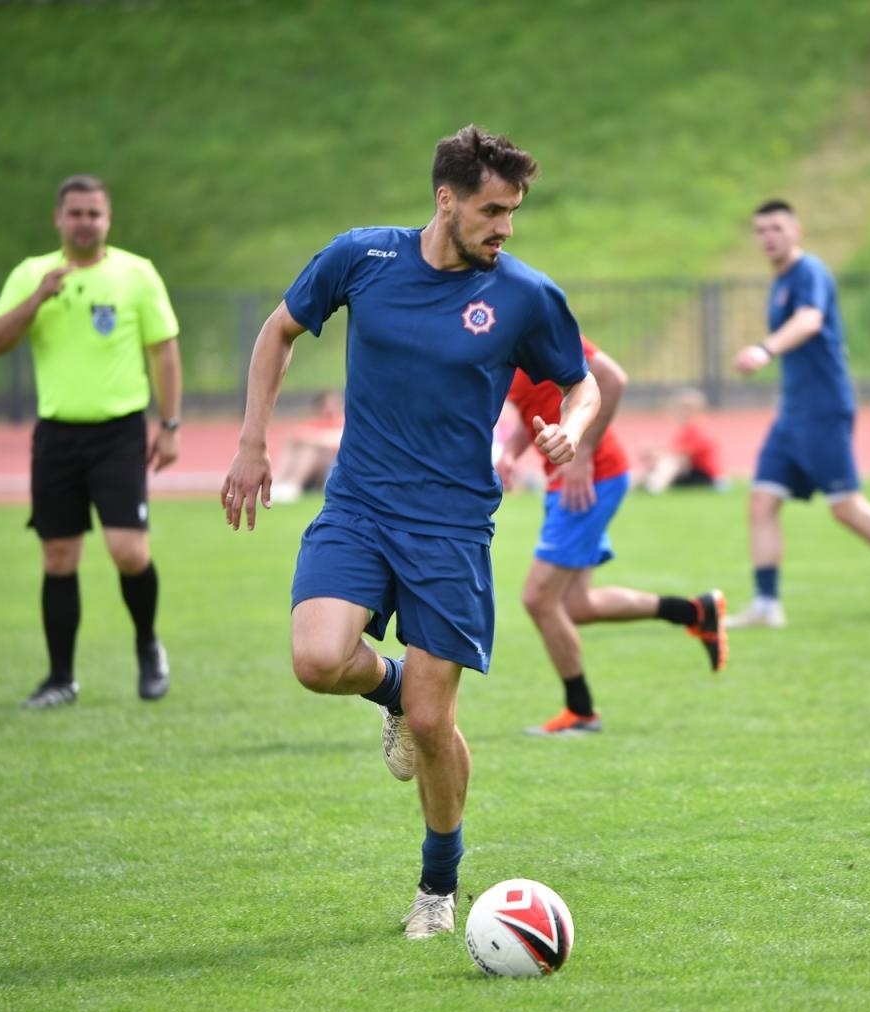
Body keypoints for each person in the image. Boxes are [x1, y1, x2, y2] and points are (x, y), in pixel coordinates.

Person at [219, 126, 600, 941]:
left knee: (434, 725)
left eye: (514, 213)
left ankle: (437, 886)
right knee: (318, 659)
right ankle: (388, 687)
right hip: (358, 504)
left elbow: (585, 381)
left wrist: (574, 427)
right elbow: (277, 332)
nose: (505, 228)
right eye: (492, 210)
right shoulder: (363, 259)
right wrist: (253, 442)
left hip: (452, 525)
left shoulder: (523, 295)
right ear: (446, 199)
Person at [0, 174, 182, 709]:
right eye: (75, 213)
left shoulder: (135, 274)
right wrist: (36, 299)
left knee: (128, 550)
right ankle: (60, 678)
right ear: (58, 218)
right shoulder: (31, 274)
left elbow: (164, 350)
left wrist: (169, 425)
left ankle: (147, 644)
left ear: (108, 219)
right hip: (57, 435)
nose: (85, 222)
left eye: (94, 213)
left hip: (118, 432)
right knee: (58, 556)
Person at [728, 200, 870, 629]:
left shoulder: (809, 272)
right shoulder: (779, 282)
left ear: (796, 230)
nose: (768, 238)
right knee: (761, 501)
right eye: (760, 231)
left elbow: (811, 321)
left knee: (846, 507)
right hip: (791, 413)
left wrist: (765, 349)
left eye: (776, 228)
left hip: (823, 408)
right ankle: (766, 604)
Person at [497, 335, 727, 736]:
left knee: (539, 599)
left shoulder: (531, 312)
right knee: (578, 606)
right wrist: (512, 455)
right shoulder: (493, 334)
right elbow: (534, 405)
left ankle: (581, 712)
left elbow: (612, 378)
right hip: (567, 479)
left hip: (590, 477)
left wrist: (582, 456)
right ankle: (695, 611)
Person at [636, 386, 725, 493]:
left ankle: (654, 486)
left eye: (683, 407)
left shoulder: (699, 429)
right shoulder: (687, 428)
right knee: (663, 461)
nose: (678, 411)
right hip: (693, 471)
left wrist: (657, 453)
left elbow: (685, 455)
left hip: (705, 475)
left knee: (669, 462)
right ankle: (644, 484)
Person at [269, 389, 344, 503]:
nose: (330, 408)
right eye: (326, 405)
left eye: (333, 404)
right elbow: (294, 436)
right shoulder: (316, 425)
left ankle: (294, 485)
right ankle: (279, 482)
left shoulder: (344, 423)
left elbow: (337, 442)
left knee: (310, 450)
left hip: (332, 468)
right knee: (295, 446)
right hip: (313, 470)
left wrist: (311, 440)